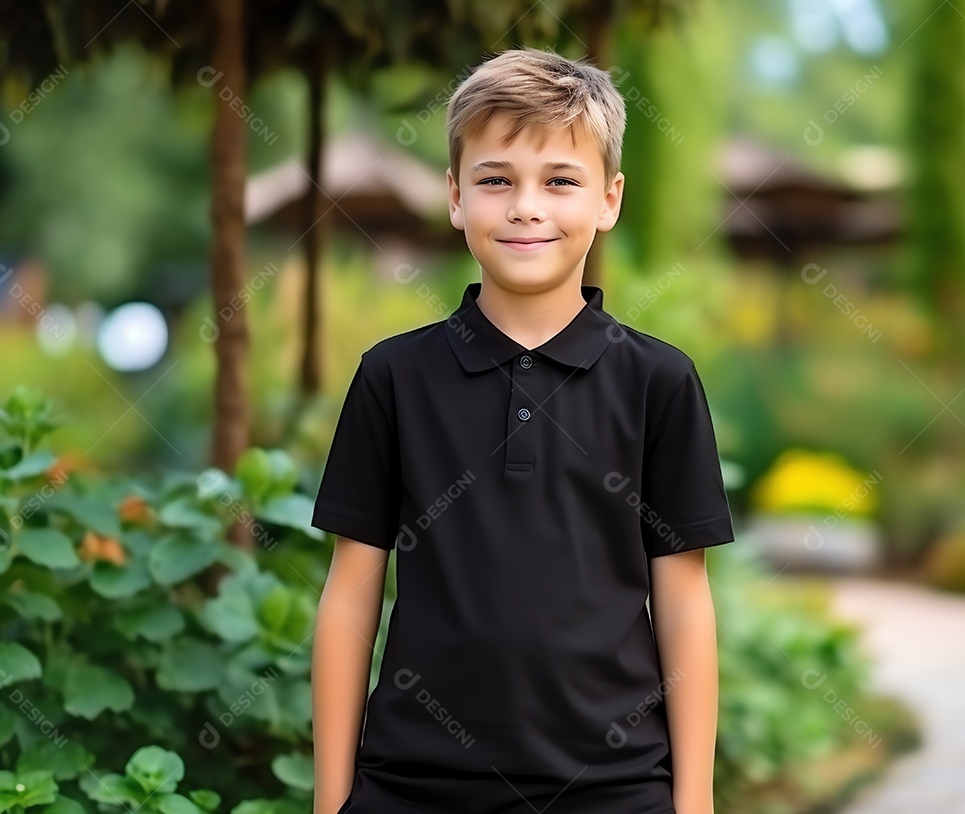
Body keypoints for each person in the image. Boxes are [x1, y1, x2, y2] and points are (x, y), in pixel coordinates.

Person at [310, 46, 735, 814]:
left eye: (560, 181)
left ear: (609, 200)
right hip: (412, 789)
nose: (526, 206)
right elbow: (350, 597)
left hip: (615, 792)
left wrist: (694, 803)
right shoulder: (393, 379)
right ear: (454, 195)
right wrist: (332, 800)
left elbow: (683, 603)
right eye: (496, 180)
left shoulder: (660, 384)